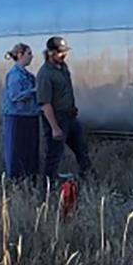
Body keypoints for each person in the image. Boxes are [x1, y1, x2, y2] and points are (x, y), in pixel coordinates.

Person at [37, 36, 92, 182]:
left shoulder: (63, 67)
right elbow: (45, 104)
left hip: (70, 117)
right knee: (54, 154)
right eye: (60, 52)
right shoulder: (45, 75)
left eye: (65, 51)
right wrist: (54, 128)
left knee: (81, 149)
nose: (64, 55)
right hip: (57, 118)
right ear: (51, 53)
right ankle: (47, 186)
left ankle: (88, 177)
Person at [1, 43, 40, 180]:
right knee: (17, 150)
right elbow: (15, 96)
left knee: (29, 151)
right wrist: (33, 91)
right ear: (20, 55)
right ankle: (16, 178)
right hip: (17, 116)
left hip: (29, 116)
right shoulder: (15, 75)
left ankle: (29, 177)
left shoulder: (29, 76)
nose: (31, 57)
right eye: (28, 54)